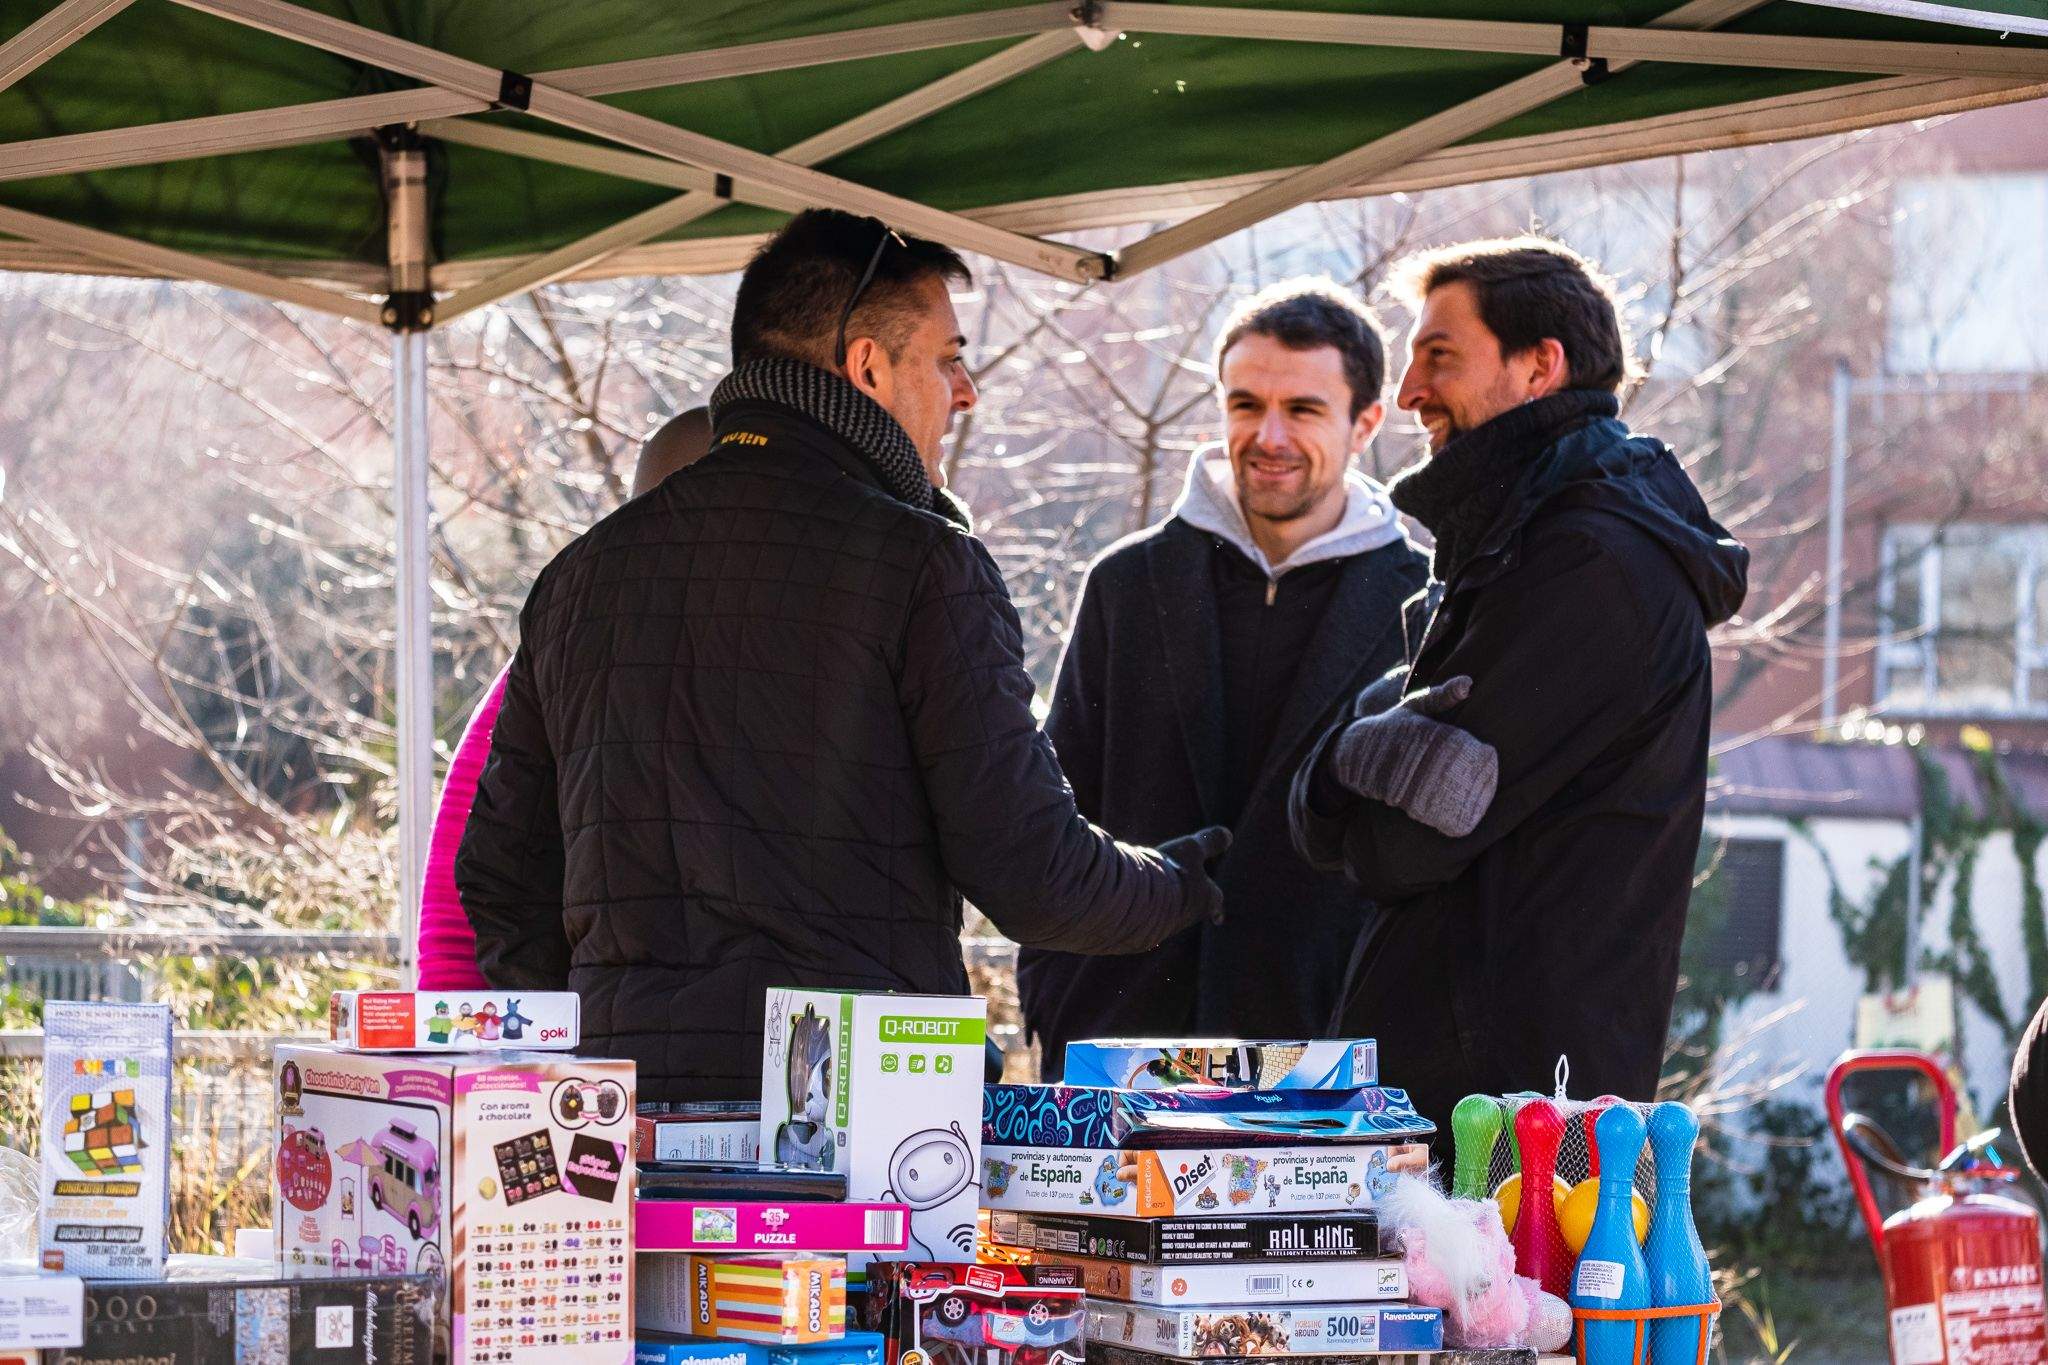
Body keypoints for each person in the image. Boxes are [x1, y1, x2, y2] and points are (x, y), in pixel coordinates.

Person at [457, 209, 1229, 1102]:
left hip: (623, 1126)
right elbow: (1033, 874)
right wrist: (1178, 884)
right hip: (853, 1126)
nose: (965, 391)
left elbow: (503, 877)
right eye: (947, 359)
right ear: (867, 367)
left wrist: (602, 1039)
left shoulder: (582, 574)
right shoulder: (922, 563)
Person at [1290, 237, 1749, 1129]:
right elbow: (1342, 822)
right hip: (1476, 1104)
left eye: (1440, 356)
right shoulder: (1516, 542)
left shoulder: (1588, 565)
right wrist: (1359, 752)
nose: (1412, 389)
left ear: (1541, 367)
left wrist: (1346, 754)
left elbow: (1397, 848)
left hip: (1515, 1131)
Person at [1017, 280, 1428, 1077]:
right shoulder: (1127, 583)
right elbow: (1052, 810)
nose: (1267, 435)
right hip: (1118, 1050)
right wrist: (1055, 995)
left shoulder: (1423, 601)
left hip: (1325, 1066)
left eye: (1303, 409)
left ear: (1366, 422)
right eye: (1246, 404)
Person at [415, 408, 715, 990]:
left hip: (509, 1003)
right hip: (490, 1009)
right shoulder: (584, 658)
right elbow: (484, 886)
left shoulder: (589, 643)